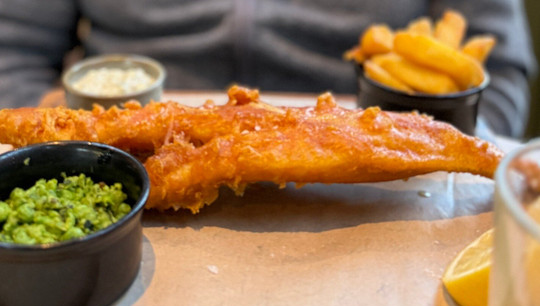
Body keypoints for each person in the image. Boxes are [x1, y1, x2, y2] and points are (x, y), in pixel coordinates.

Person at [0, 0, 536, 139]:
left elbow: (500, 72)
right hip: (116, 147)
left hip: (382, 157)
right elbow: (12, 49)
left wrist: (454, 169)